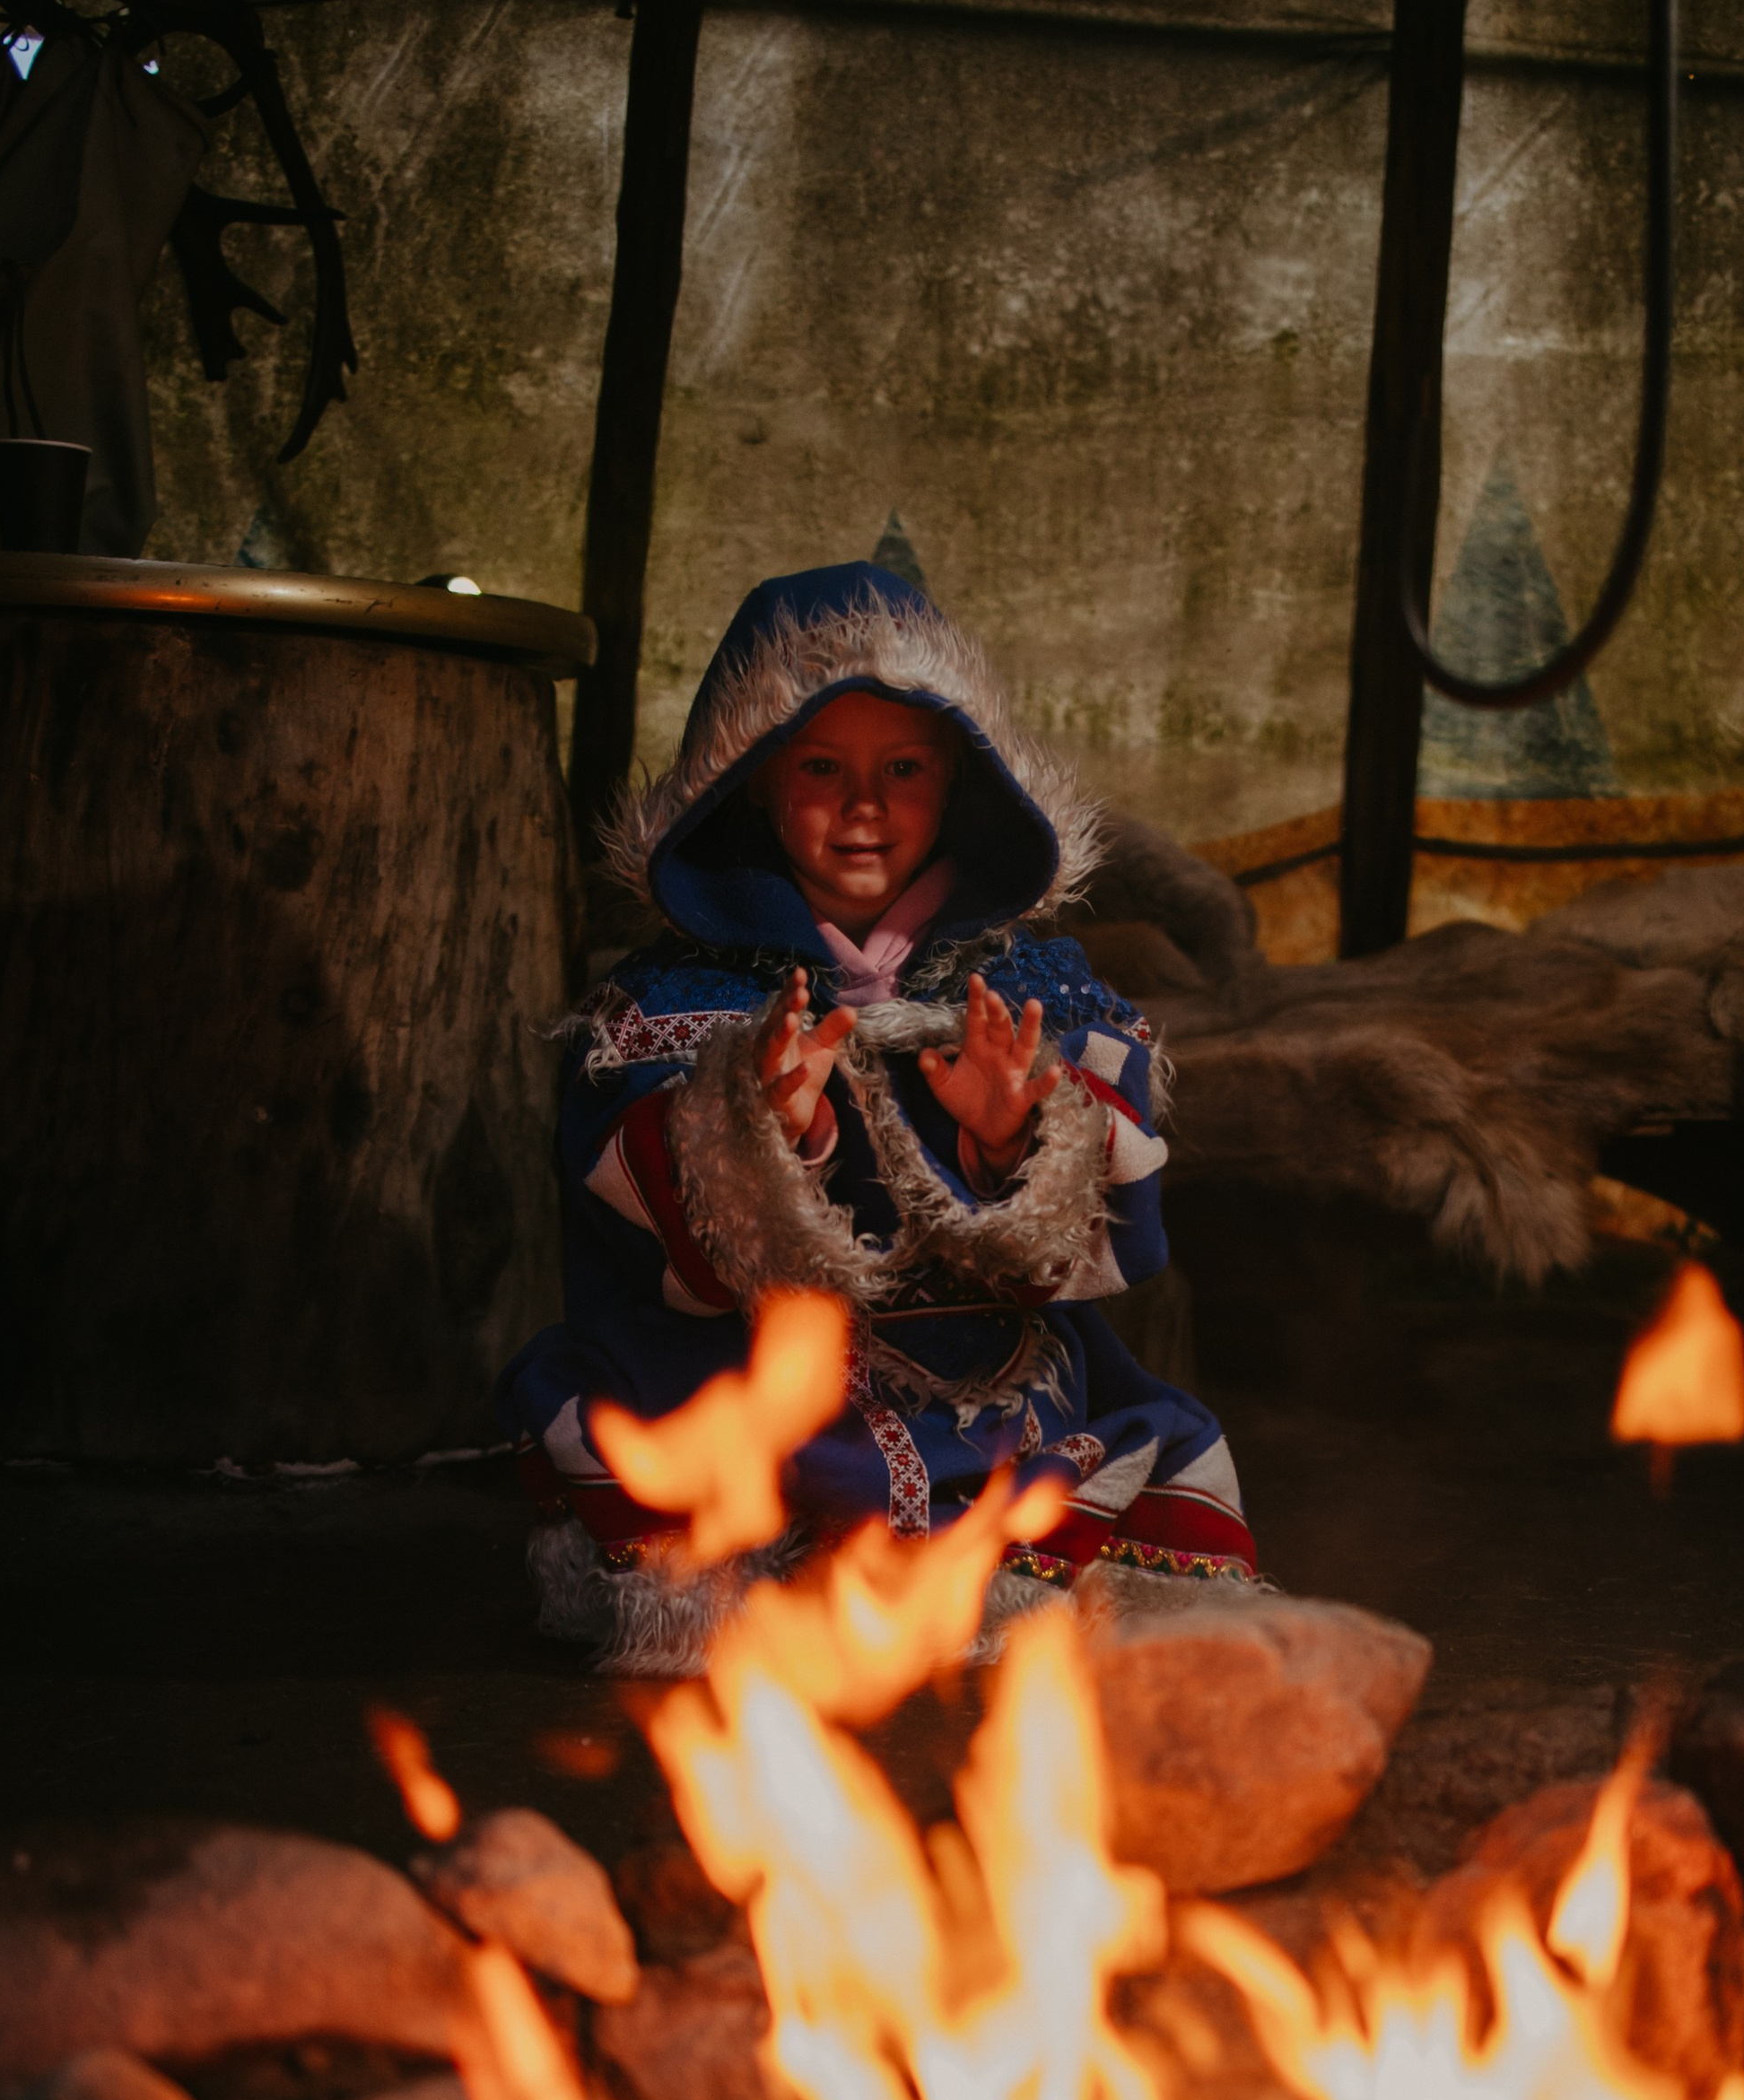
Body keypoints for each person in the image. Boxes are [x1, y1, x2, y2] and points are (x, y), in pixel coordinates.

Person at [498, 560, 1256, 1667]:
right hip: (748, 1380)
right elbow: (620, 1216)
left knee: (1094, 1447)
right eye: (820, 767)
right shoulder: (673, 1002)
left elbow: (1112, 1223)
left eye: (903, 768)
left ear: (956, 785)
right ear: (751, 783)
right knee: (672, 1450)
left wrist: (1017, 1135)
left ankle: (980, 1573)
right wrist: (760, 1128)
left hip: (982, 1376)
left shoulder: (1031, 986)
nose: (864, 807)